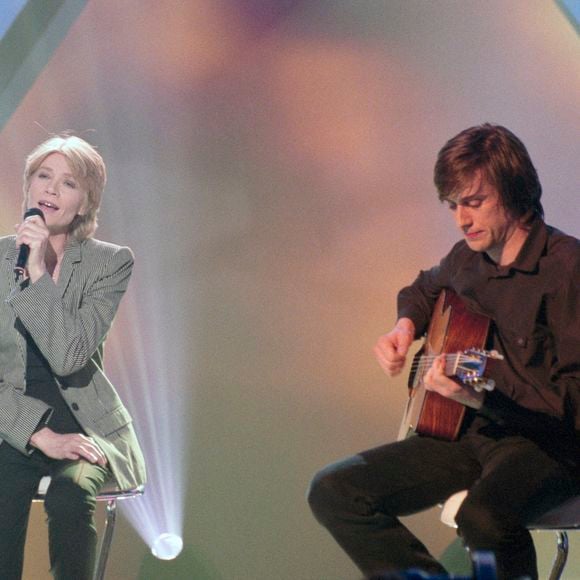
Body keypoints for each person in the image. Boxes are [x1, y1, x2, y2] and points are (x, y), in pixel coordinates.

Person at [308, 124, 579, 580]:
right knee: (336, 490)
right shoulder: (466, 259)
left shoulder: (568, 269)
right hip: (472, 435)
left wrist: (486, 392)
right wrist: (404, 326)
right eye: (453, 205)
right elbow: (424, 287)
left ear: (513, 194)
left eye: (474, 203)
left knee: (483, 518)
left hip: (550, 446)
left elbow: (573, 401)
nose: (461, 219)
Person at [0, 134, 146, 579]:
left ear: (84, 203)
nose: (50, 189)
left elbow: (68, 356)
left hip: (85, 428)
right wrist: (38, 434)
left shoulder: (109, 263)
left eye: (67, 183)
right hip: (13, 420)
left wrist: (38, 272)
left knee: (70, 494)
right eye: (43, 176)